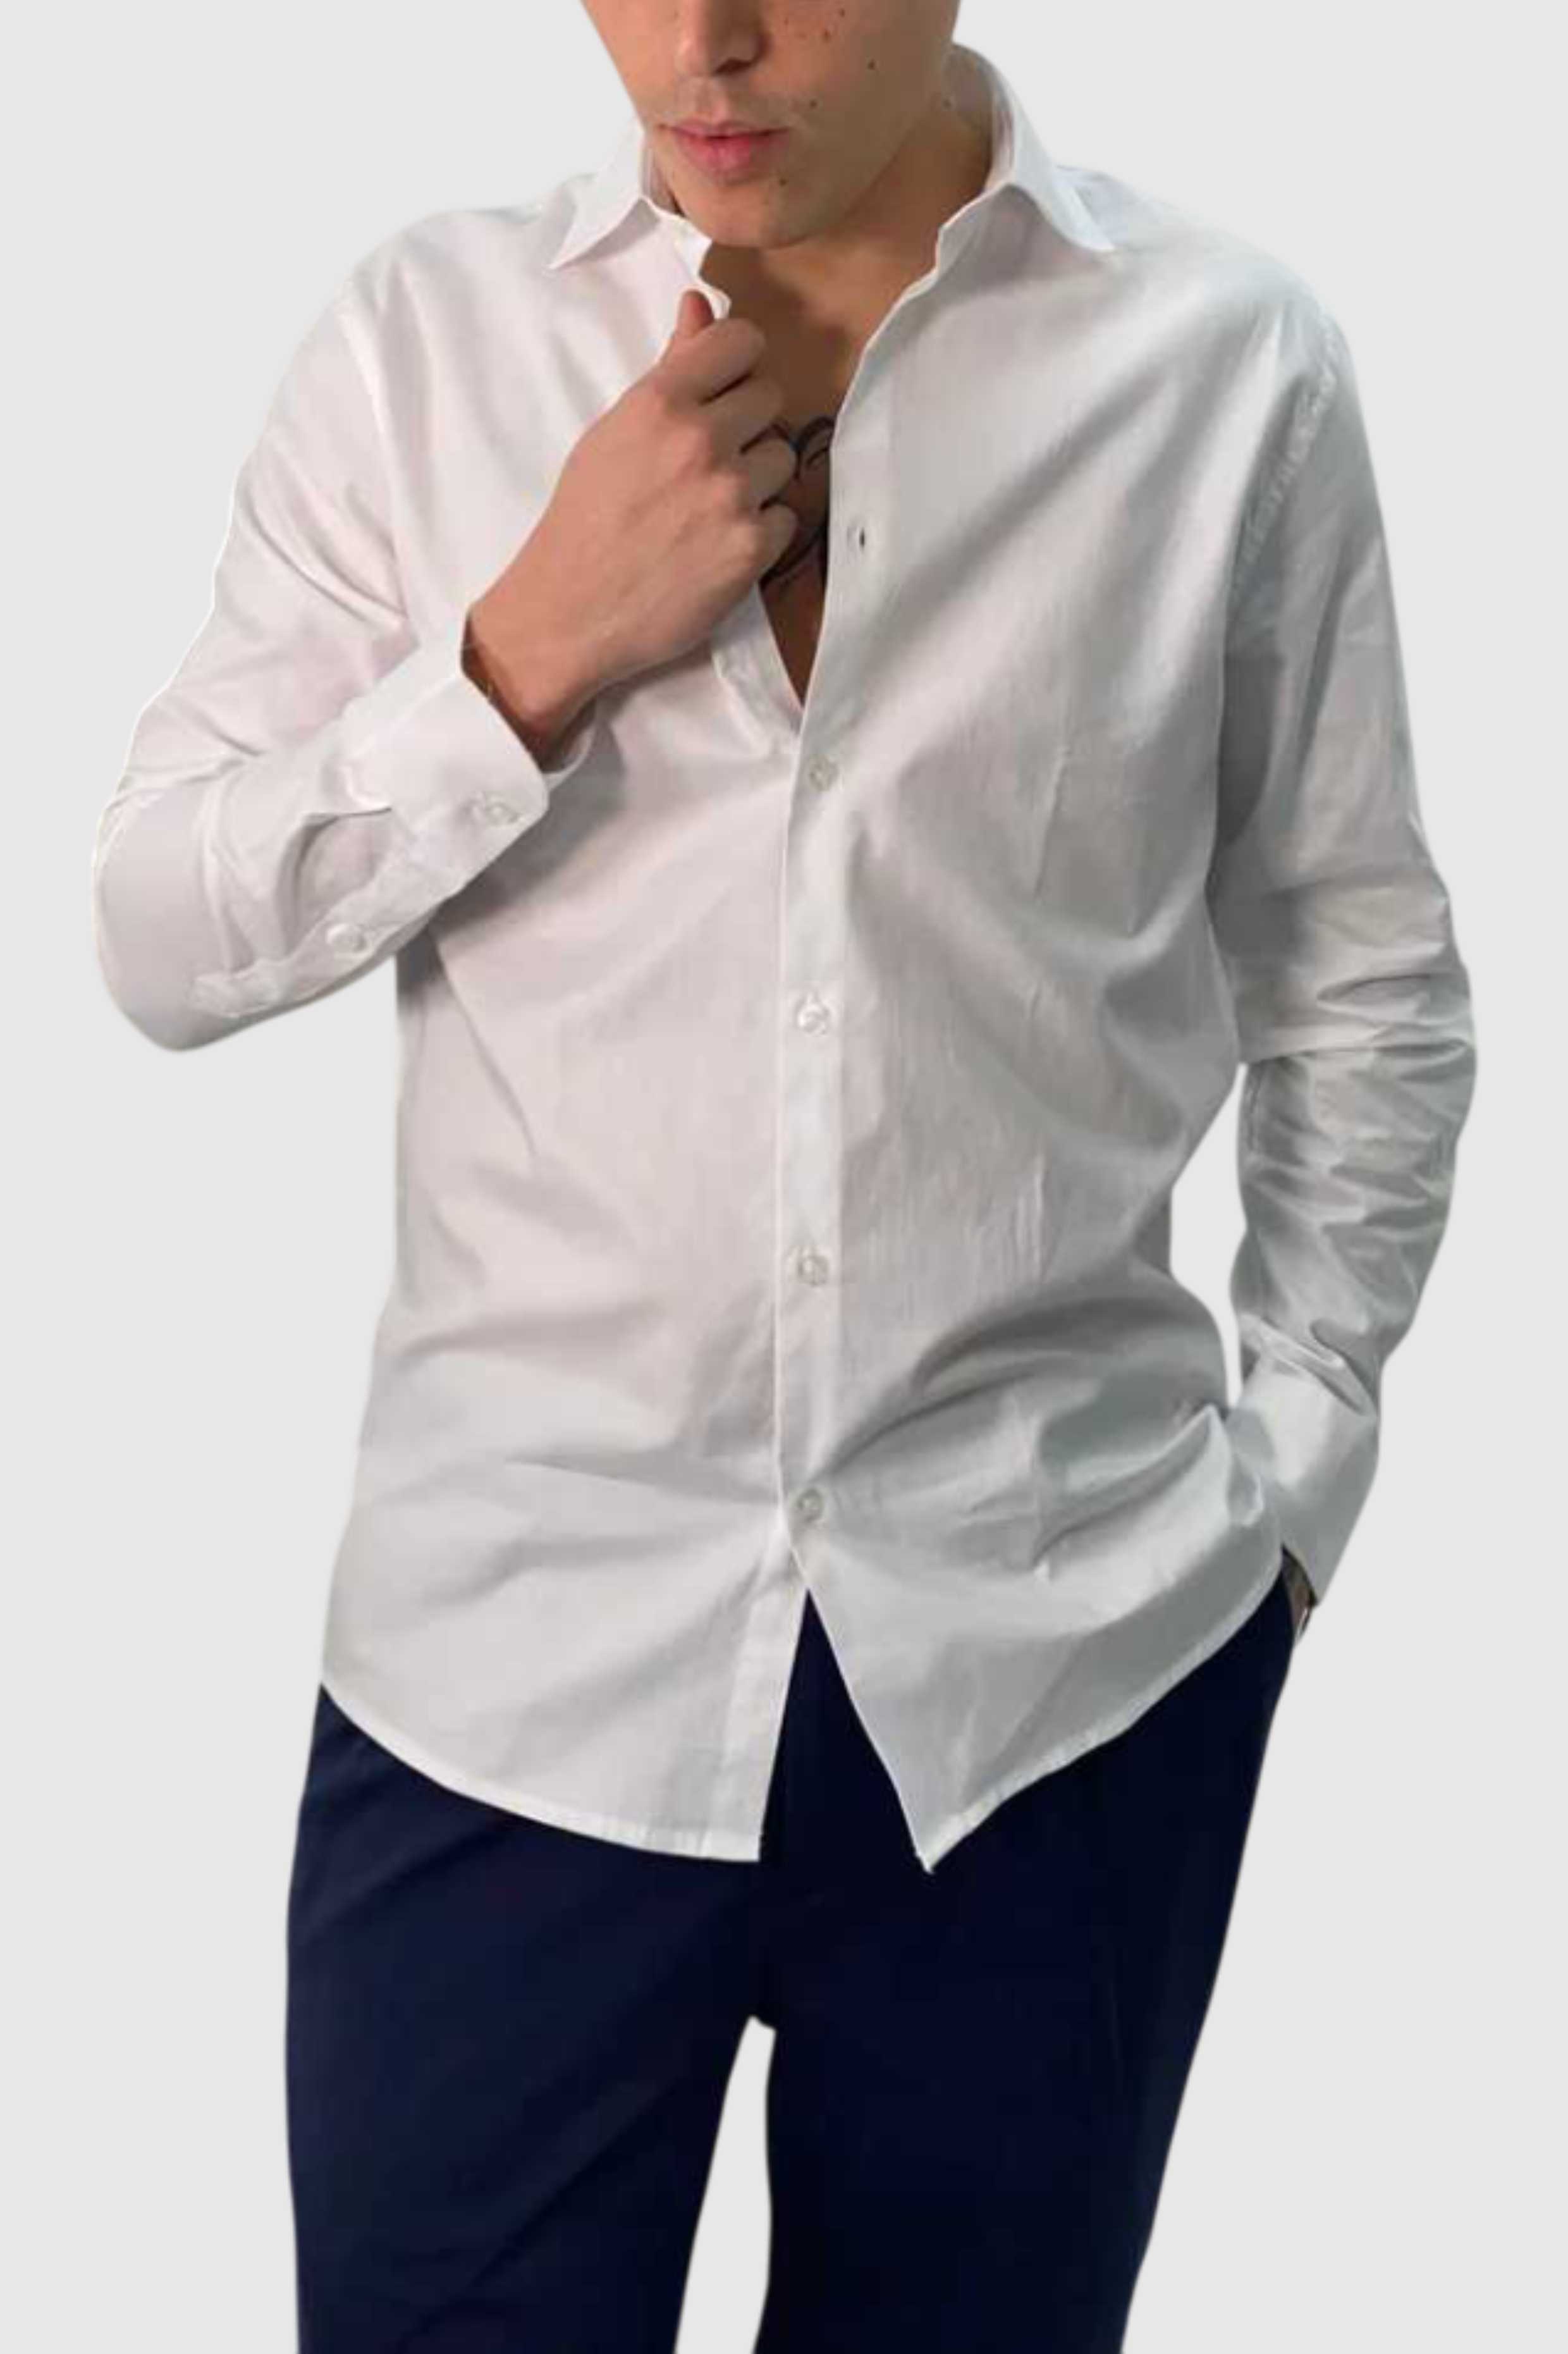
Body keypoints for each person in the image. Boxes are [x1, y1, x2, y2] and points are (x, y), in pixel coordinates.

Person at [90, 5, 1478, 2348]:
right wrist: (521, 656)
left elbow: (1358, 965)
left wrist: (1296, 1485)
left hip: (1058, 1683)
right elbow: (157, 935)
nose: (704, 40)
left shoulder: (1224, 366)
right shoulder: (425, 344)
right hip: (513, 1673)